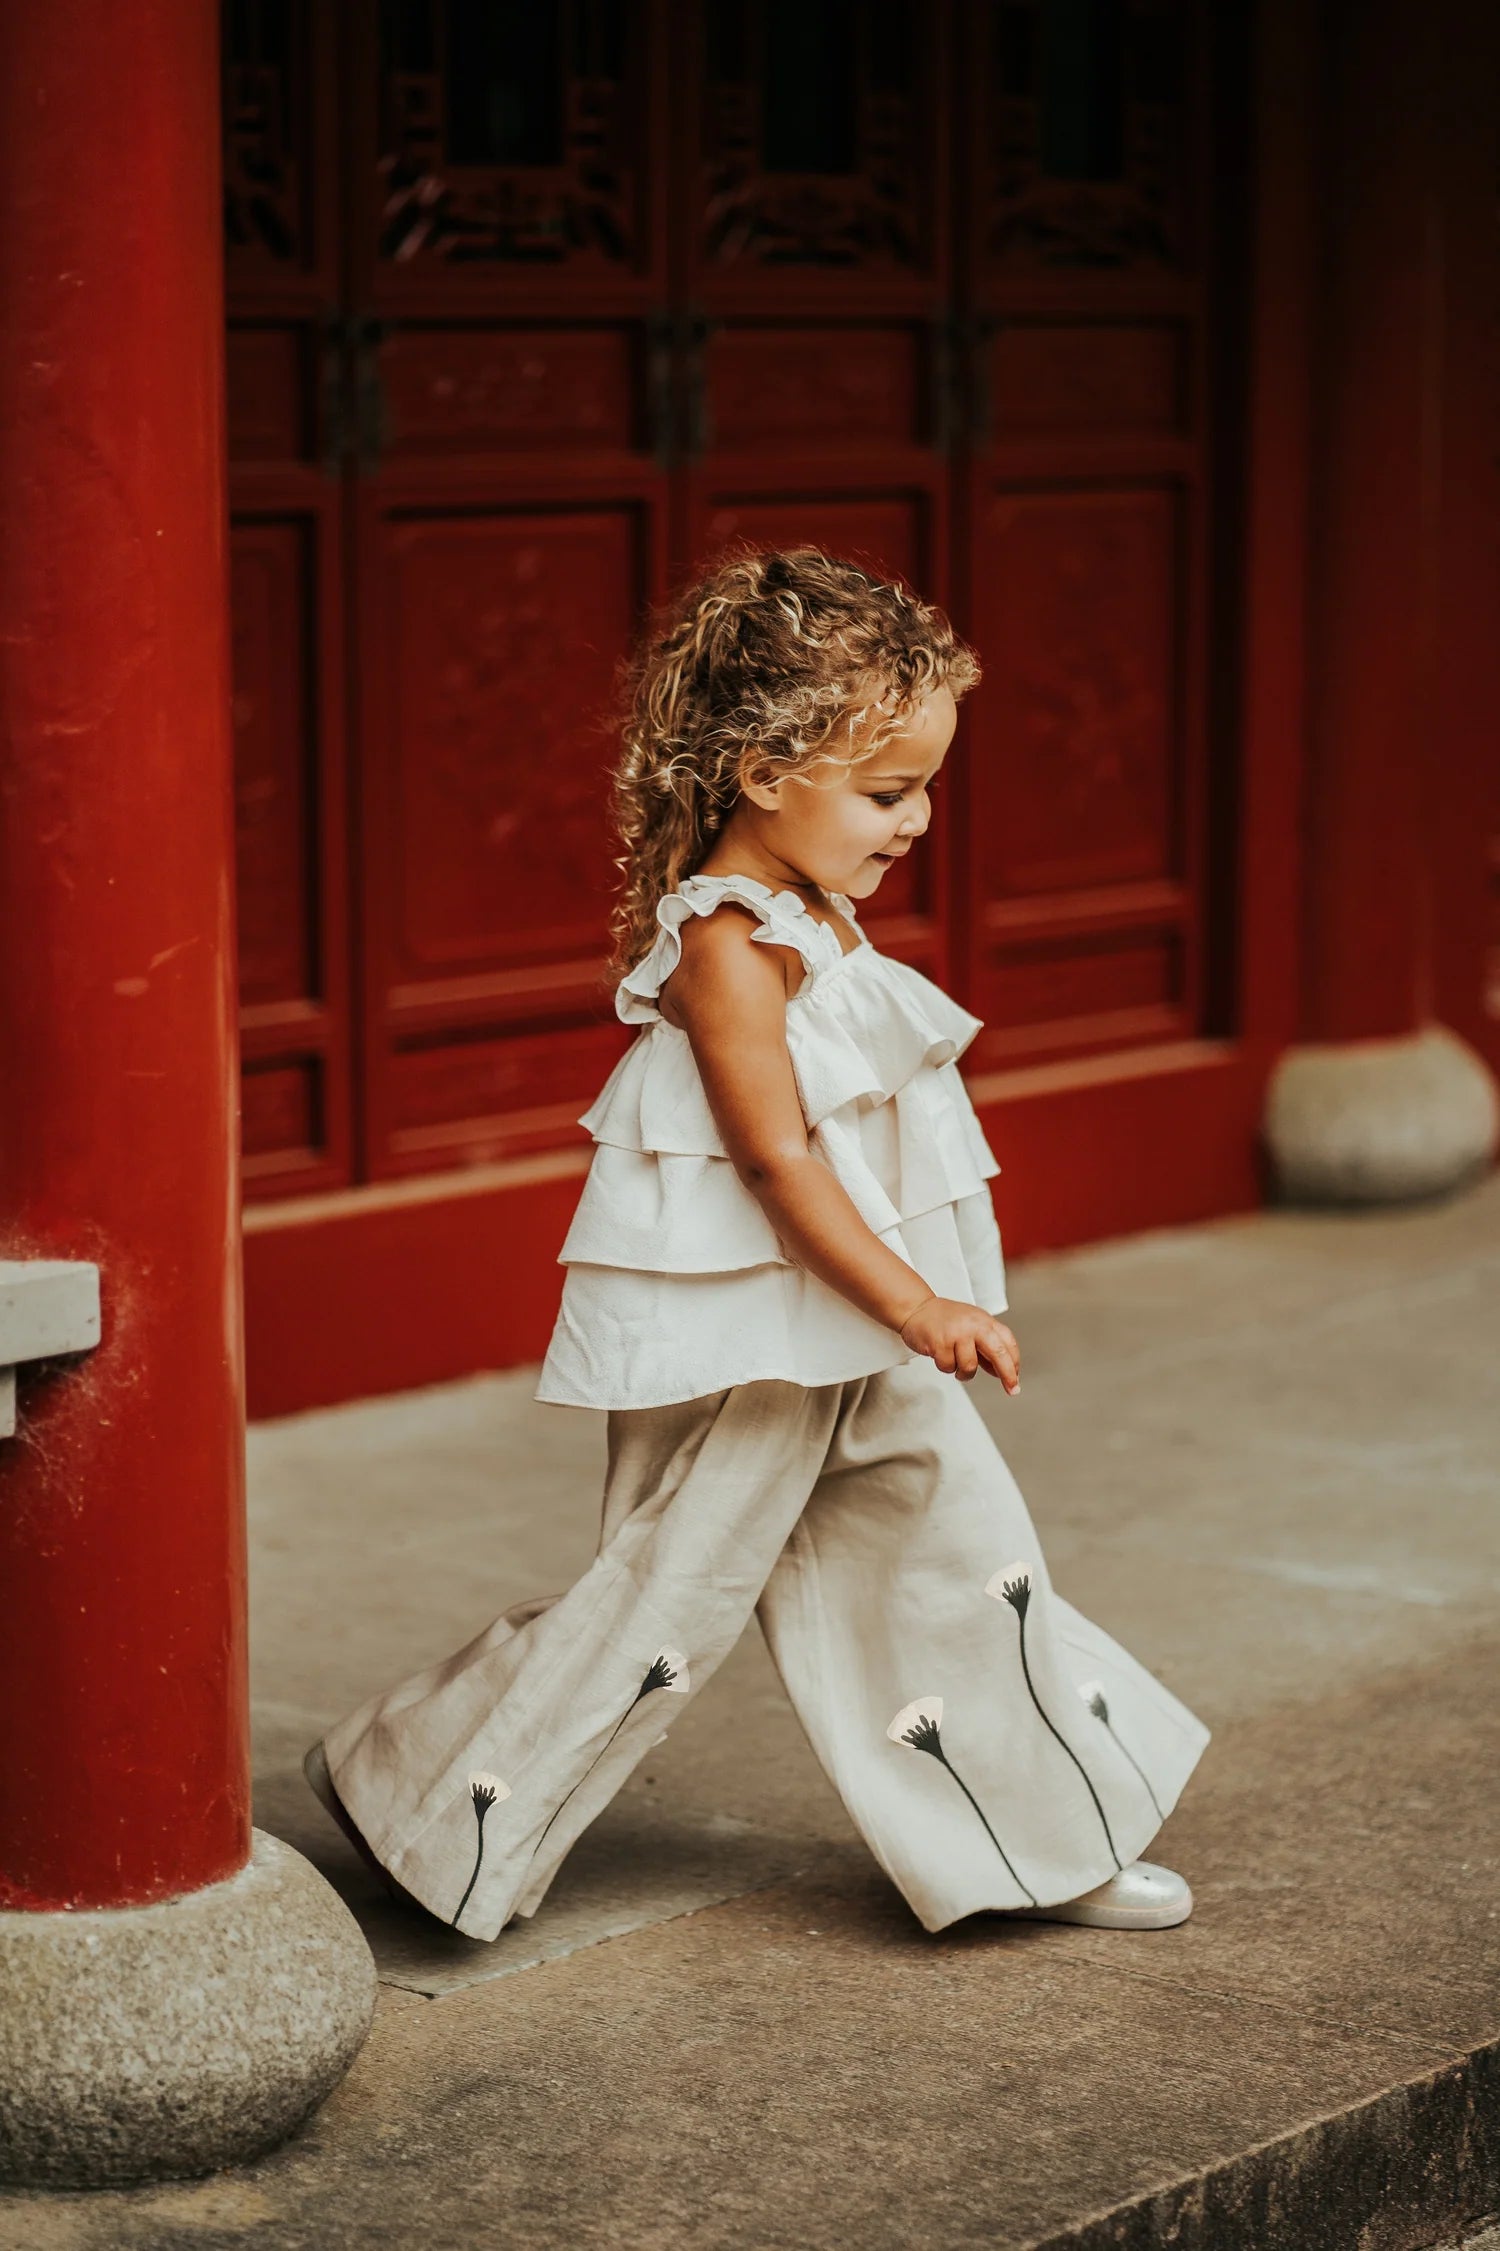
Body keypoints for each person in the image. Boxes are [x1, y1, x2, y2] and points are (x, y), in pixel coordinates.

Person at [304, 548, 1209, 1941]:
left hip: (837, 1324)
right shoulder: (730, 942)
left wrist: (902, 1304)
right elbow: (778, 1163)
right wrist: (922, 1305)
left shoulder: (808, 911)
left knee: (958, 1548)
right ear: (763, 772)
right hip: (756, 1334)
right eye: (886, 790)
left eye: (925, 786)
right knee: (664, 1597)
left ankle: (1041, 1845)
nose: (916, 822)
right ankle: (417, 1800)